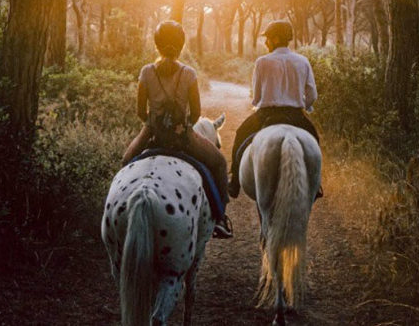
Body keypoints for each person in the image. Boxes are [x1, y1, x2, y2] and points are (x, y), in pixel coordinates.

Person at [122, 20, 233, 238]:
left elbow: (140, 111)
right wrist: (183, 127)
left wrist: (154, 123)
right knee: (219, 163)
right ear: (181, 45)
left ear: (157, 44)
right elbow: (196, 112)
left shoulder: (146, 72)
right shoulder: (189, 73)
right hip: (184, 136)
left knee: (126, 162)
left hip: (152, 132)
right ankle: (220, 219)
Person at [229, 19, 322, 199]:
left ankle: (234, 183)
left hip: (266, 115)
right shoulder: (303, 61)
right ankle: (316, 184)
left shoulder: (262, 62)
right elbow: (312, 94)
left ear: (276, 38)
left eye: (268, 38)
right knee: (314, 140)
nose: (266, 42)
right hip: (295, 115)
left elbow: (256, 97)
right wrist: (306, 105)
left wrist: (259, 101)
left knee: (240, 135)